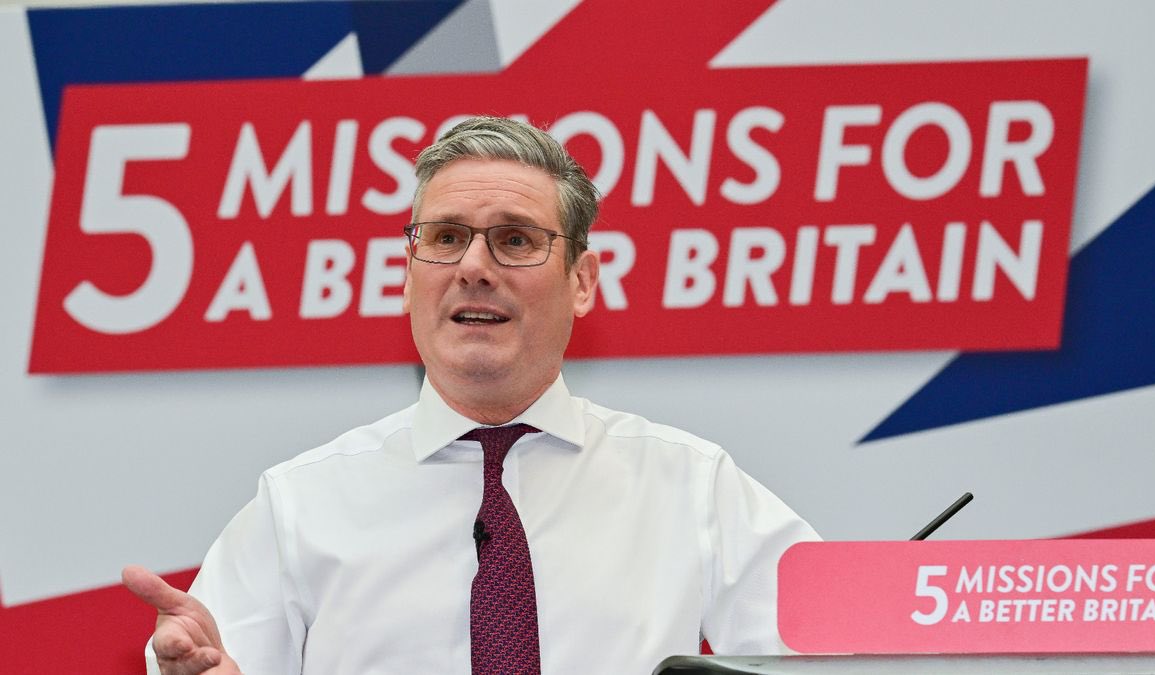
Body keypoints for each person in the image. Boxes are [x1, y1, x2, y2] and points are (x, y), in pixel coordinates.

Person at [124, 116, 820, 675]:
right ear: (407, 275)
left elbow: (833, 657)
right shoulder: (297, 505)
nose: (474, 268)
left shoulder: (694, 487)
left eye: (515, 240)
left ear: (582, 280)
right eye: (447, 237)